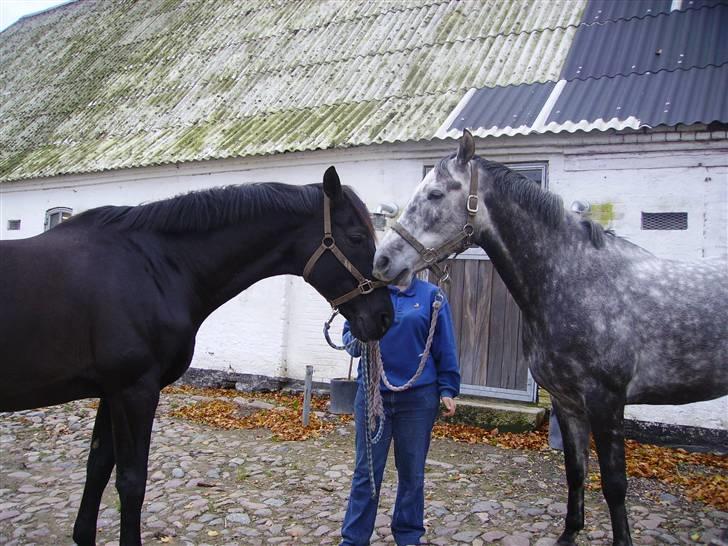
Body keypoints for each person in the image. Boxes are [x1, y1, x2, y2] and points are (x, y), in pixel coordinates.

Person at [340, 275, 460, 546]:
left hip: (418, 399)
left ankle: (408, 535)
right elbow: (349, 339)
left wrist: (448, 388)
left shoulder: (432, 297)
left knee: (412, 472)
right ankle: (354, 538)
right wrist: (359, 337)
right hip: (372, 395)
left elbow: (444, 344)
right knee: (366, 471)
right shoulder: (368, 294)